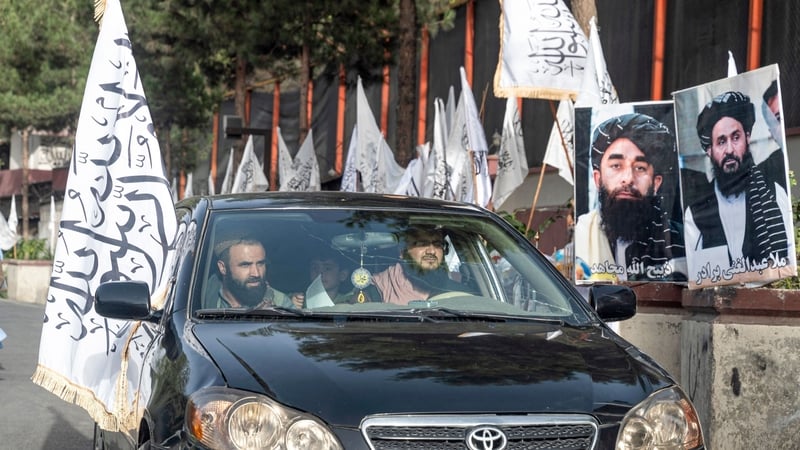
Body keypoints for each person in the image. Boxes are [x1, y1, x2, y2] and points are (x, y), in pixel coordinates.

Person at [574, 113, 686, 282]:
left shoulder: (682, 242)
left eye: (640, 168)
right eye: (616, 166)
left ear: (656, 183)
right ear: (598, 179)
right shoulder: (580, 237)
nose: (628, 178)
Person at [684, 91, 791, 266]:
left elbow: (789, 260)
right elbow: (695, 270)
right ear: (709, 150)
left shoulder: (774, 194)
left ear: (747, 138)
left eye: (736, 138)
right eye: (721, 141)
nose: (730, 150)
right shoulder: (696, 213)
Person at [370, 225, 460, 304]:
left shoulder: (457, 291)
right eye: (422, 244)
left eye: (437, 244)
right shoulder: (378, 288)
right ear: (402, 252)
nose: (432, 251)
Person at [212, 236, 300, 309]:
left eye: (260, 263)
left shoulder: (281, 303)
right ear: (222, 268)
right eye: (245, 265)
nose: (256, 273)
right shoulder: (206, 294)